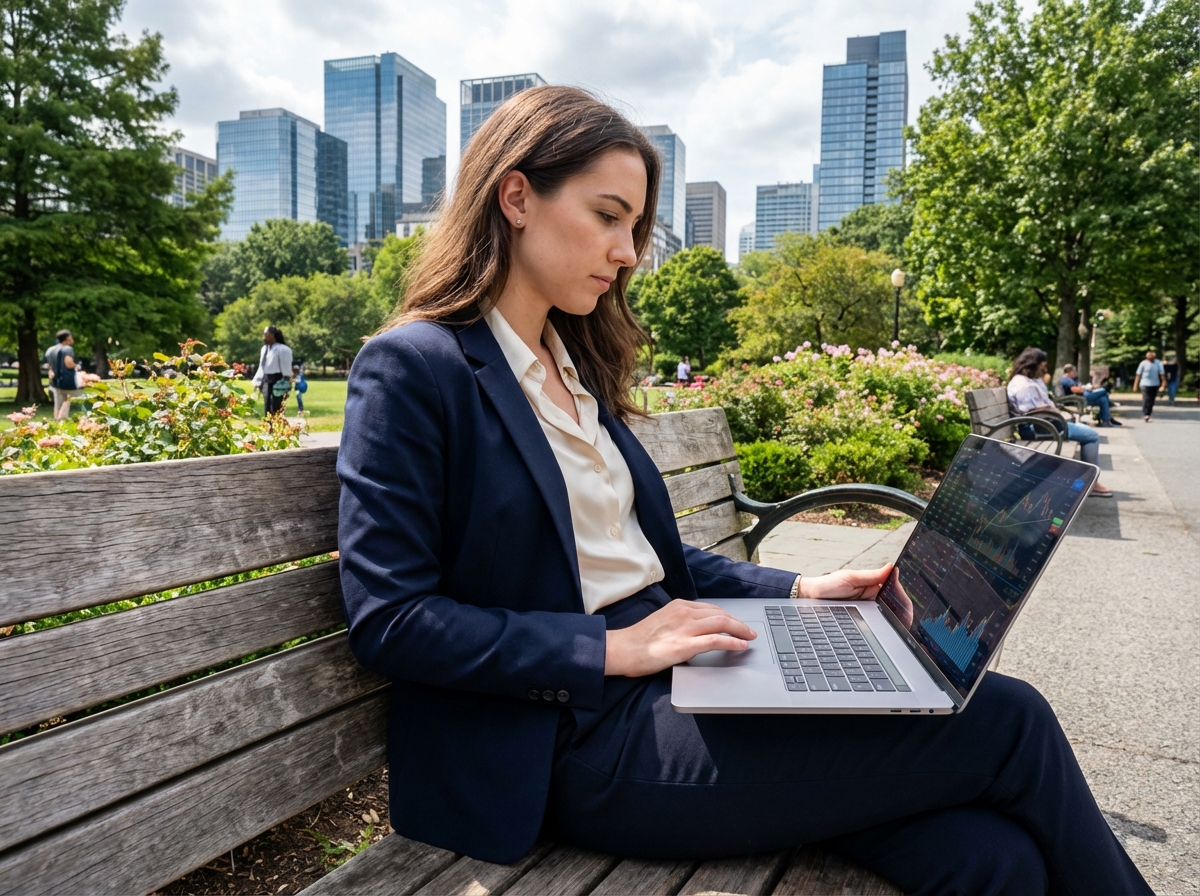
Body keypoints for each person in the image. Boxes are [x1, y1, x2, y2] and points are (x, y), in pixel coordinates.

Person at [336, 86, 1149, 894]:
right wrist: (610, 649)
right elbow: (393, 620)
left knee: (988, 860)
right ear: (517, 196)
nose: (627, 252)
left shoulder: (571, 365)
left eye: (636, 228)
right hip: (568, 736)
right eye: (608, 216)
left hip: (681, 675)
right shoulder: (416, 368)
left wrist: (801, 586)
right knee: (1012, 722)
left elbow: (645, 558)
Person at [1008, 349, 1112, 497]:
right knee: (1092, 436)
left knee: (1088, 432)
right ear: (1032, 365)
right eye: (1042, 366)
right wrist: (1054, 411)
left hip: (1044, 424)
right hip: (1039, 427)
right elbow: (1029, 411)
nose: (1045, 369)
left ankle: (1089, 481)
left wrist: (1055, 411)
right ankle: (1091, 483)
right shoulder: (1024, 385)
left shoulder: (1028, 380)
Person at [251, 326, 294, 418]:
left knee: (277, 404)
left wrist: (287, 381)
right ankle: (269, 426)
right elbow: (261, 366)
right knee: (267, 404)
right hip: (267, 379)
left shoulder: (283, 349)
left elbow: (286, 367)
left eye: (266, 334)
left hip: (279, 378)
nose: (264, 336)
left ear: (272, 335)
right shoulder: (264, 349)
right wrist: (258, 380)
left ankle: (277, 425)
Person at [43, 329, 83, 419]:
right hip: (69, 382)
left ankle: (59, 423)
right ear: (68, 338)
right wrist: (76, 366)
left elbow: (49, 366)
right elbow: (68, 363)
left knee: (58, 406)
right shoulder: (67, 349)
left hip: (56, 383)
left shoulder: (50, 350)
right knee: (83, 401)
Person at [1133, 350, 1166, 422]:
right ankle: (1146, 414)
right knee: (1146, 399)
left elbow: (1162, 374)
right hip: (1145, 384)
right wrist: (1135, 385)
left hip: (1154, 384)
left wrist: (1163, 384)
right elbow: (1138, 375)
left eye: (1152, 358)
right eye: (1149, 358)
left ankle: (1149, 413)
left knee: (1151, 400)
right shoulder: (1143, 363)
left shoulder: (1158, 363)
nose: (1151, 360)